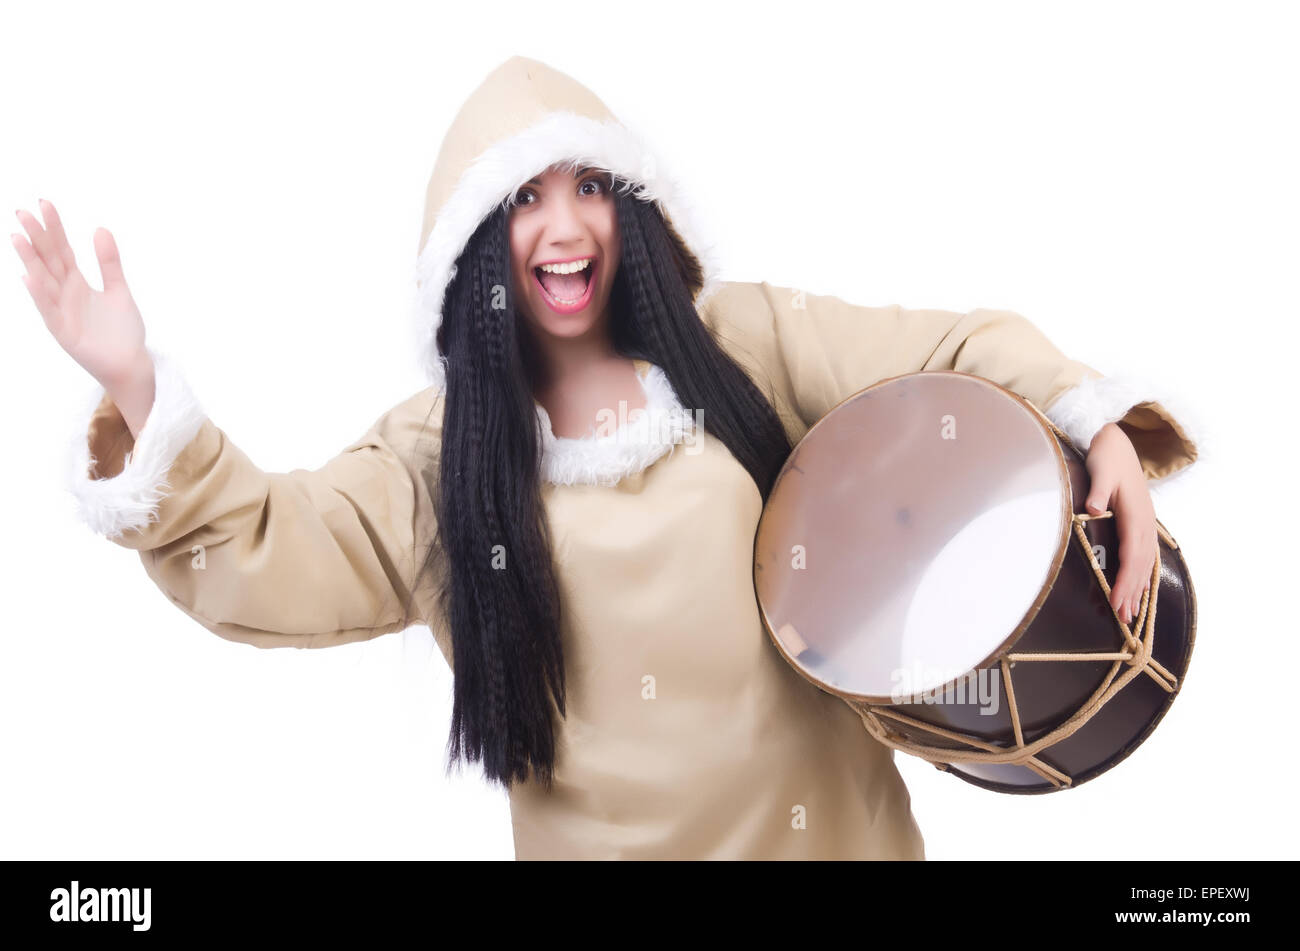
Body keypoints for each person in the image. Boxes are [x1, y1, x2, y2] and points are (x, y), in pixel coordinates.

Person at [15, 55, 1199, 860]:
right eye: (524, 197)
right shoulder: (439, 462)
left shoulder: (746, 347)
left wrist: (1089, 417)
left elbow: (952, 350)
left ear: (631, 212)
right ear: (481, 244)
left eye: (590, 185)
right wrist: (138, 390)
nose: (565, 223)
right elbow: (270, 554)